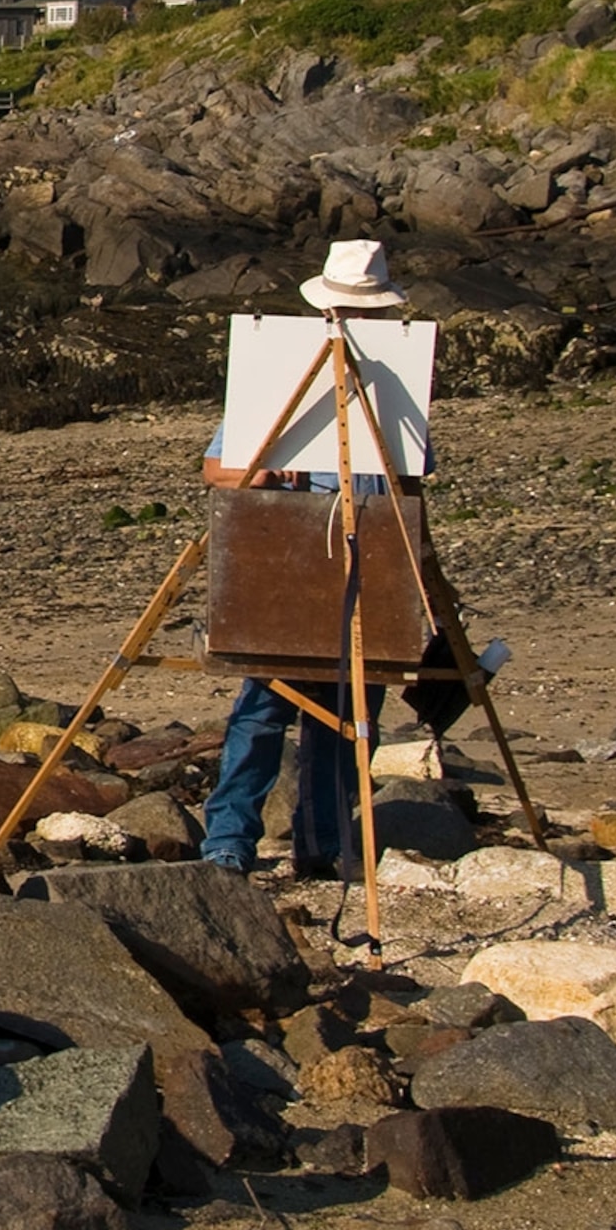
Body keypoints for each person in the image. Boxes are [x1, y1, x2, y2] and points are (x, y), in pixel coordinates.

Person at [198, 239, 416, 881]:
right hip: (286, 557)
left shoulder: (395, 380)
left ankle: (323, 843)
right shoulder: (283, 371)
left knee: (350, 714)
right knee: (262, 709)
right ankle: (229, 841)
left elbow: (411, 482)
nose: (349, 324)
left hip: (368, 556)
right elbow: (219, 467)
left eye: (360, 313)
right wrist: (261, 470)